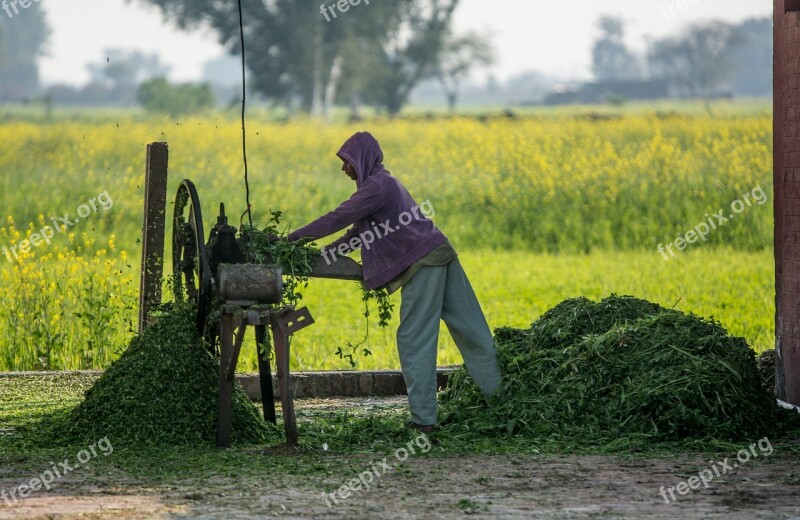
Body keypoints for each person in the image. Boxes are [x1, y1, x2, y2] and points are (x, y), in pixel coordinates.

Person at [286, 131, 501, 433]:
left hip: (425, 262)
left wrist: (289, 240)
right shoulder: (382, 185)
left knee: (414, 338)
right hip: (440, 252)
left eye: (346, 161)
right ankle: (503, 403)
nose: (344, 169)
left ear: (361, 159)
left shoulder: (378, 187)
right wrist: (313, 259)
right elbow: (355, 238)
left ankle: (424, 422)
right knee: (472, 331)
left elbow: (336, 218)